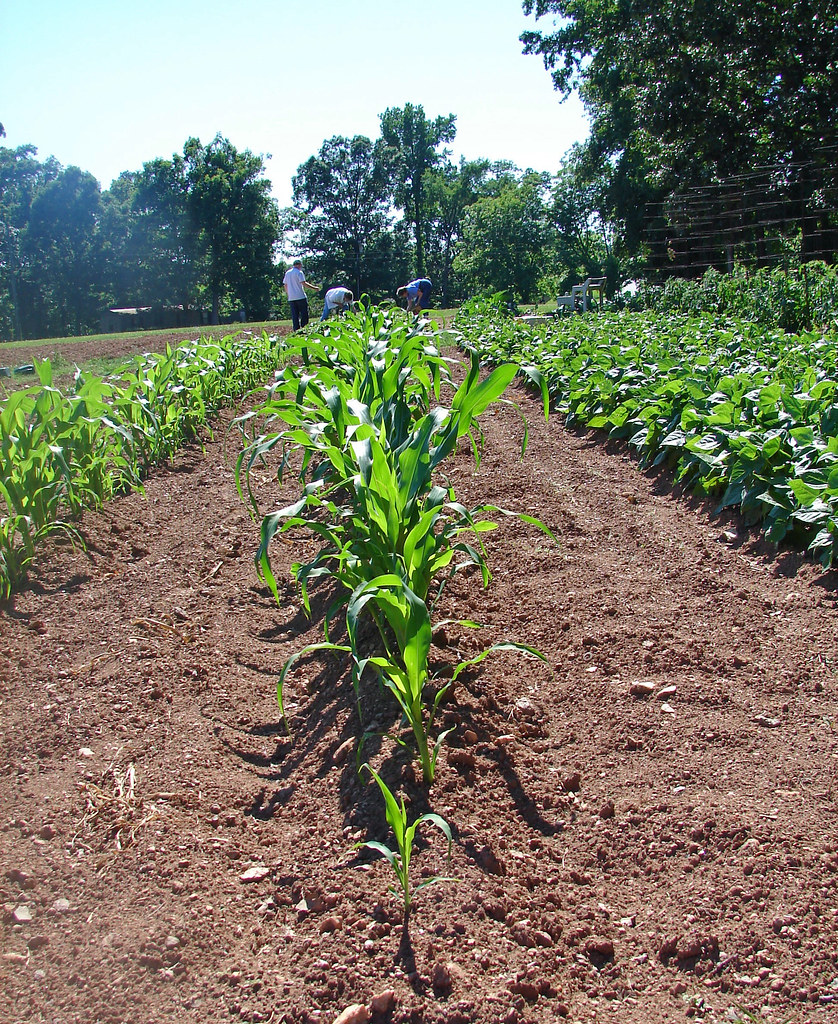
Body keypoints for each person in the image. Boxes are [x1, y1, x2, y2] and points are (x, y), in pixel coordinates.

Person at [282, 259, 318, 330]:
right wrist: (314, 288)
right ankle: (304, 328)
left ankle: (296, 329)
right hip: (300, 296)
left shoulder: (288, 273)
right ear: (299, 265)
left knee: (295, 315)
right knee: (304, 314)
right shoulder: (299, 272)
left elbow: (285, 285)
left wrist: (288, 294)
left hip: (291, 297)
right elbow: (303, 283)